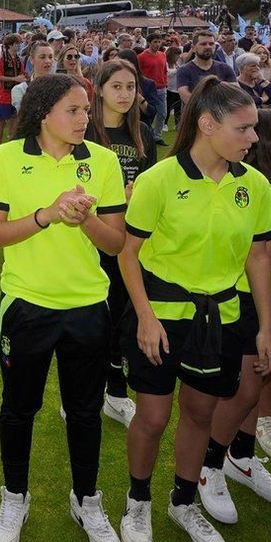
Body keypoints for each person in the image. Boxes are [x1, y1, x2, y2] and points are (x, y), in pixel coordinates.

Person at [119, 78, 271, 542]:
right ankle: (137, 501)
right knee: (152, 416)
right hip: (162, 318)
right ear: (207, 125)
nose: (254, 138)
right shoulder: (159, 179)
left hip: (223, 319)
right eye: (244, 128)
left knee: (200, 413)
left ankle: (183, 501)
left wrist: (265, 327)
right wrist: (146, 317)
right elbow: (129, 255)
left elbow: (257, 258)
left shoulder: (254, 185)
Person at [0, 75, 128, 542]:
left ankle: (86, 499)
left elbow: (117, 242)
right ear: (43, 112)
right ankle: (14, 497)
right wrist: (46, 214)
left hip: (87, 308)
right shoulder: (6, 157)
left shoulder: (103, 161)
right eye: (74, 110)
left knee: (85, 412)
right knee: (19, 408)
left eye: (87, 109)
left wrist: (84, 218)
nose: (85, 117)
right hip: (26, 305)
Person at [196, 110, 271, 526]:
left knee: (259, 384)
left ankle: (241, 457)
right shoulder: (252, 187)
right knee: (243, 389)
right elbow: (268, 253)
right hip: (247, 298)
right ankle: (209, 465)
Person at [87, 59, 160, 429]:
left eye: (130, 87)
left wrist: (136, 196)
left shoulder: (143, 132)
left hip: (131, 235)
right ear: (99, 89)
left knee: (122, 315)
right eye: (116, 86)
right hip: (91, 234)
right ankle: (84, 391)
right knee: (90, 319)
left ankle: (116, 392)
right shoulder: (83, 130)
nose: (124, 94)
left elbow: (151, 183)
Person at [173, 34, 236, 109]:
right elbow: (185, 96)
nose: (208, 47)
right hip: (195, 116)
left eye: (211, 44)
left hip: (221, 116)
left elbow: (235, 92)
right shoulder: (184, 70)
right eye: (203, 44)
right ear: (193, 48)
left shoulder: (225, 68)